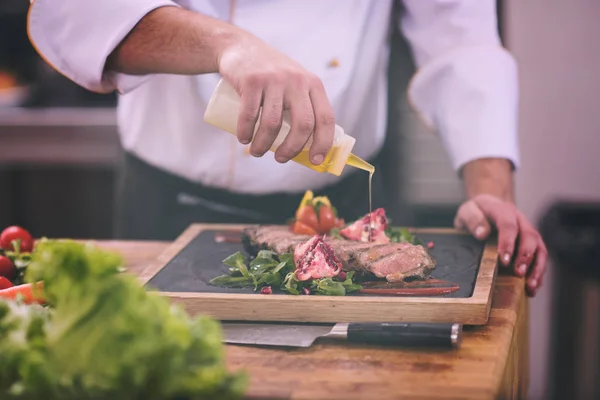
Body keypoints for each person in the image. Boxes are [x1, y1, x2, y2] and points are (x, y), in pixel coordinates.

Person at [27, 0, 546, 296]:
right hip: (165, 208)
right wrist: (229, 44)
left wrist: (491, 189)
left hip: (345, 210)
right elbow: (74, 10)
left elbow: (458, 31)